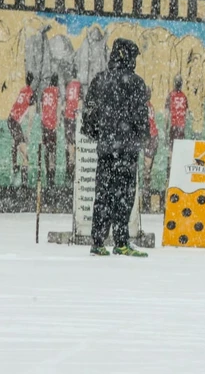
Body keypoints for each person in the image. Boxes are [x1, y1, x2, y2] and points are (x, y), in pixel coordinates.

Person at [82, 38, 150, 257]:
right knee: (124, 195)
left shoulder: (99, 80)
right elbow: (141, 119)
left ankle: (98, 241)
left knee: (103, 194)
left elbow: (89, 117)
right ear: (128, 57)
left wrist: (100, 136)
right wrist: (141, 137)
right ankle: (121, 242)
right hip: (128, 151)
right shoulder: (137, 83)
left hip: (105, 149)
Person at [8, 72, 36, 187]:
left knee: (16, 143)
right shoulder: (31, 94)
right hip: (14, 122)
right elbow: (31, 117)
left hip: (10, 119)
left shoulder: (22, 90)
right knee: (25, 155)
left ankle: (14, 166)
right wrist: (28, 133)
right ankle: (24, 183)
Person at [41, 74, 60, 187]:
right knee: (53, 151)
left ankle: (47, 174)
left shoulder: (45, 91)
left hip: (44, 124)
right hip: (52, 125)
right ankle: (51, 179)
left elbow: (41, 106)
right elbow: (58, 107)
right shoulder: (56, 91)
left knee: (46, 150)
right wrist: (57, 122)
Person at [63, 67, 82, 183]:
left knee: (69, 143)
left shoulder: (68, 85)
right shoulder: (79, 86)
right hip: (74, 118)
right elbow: (80, 103)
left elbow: (65, 102)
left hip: (67, 117)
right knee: (74, 145)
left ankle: (69, 171)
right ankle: (72, 172)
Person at [143, 87, 159, 210]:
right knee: (148, 168)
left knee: (146, 169)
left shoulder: (144, 106)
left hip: (149, 136)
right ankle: (146, 198)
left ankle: (146, 199)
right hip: (153, 136)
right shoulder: (151, 106)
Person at [166, 75, 188, 148]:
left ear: (174, 83)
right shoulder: (184, 96)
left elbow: (167, 114)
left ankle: (171, 158)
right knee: (180, 149)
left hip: (174, 126)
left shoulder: (170, 95)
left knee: (171, 150)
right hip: (181, 127)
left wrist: (166, 127)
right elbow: (186, 114)